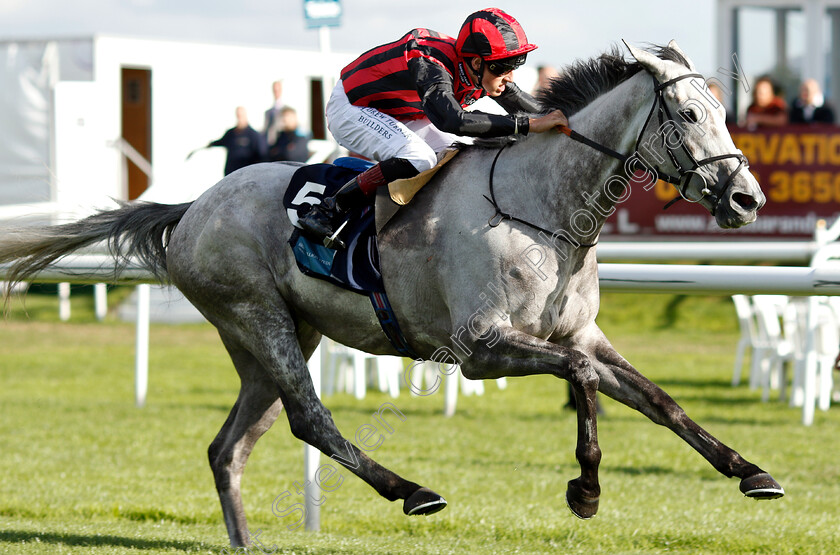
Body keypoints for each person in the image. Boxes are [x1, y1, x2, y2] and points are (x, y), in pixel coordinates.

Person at [298, 7, 569, 248]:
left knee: (456, 155)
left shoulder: (480, 68)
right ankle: (329, 209)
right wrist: (529, 126)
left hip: (400, 111)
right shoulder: (431, 62)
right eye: (504, 67)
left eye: (514, 65)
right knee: (420, 157)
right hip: (352, 106)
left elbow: (539, 111)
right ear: (477, 63)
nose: (510, 76)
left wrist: (567, 122)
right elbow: (453, 121)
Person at [208, 106, 267, 176]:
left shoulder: (253, 135)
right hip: (230, 173)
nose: (239, 118)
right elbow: (221, 141)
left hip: (246, 175)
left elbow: (261, 154)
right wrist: (211, 144)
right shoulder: (230, 133)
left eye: (241, 116)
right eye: (238, 116)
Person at [263, 80, 285, 146]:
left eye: (278, 90)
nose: (276, 92)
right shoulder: (268, 112)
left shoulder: (286, 110)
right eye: (275, 90)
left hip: (282, 143)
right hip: (271, 144)